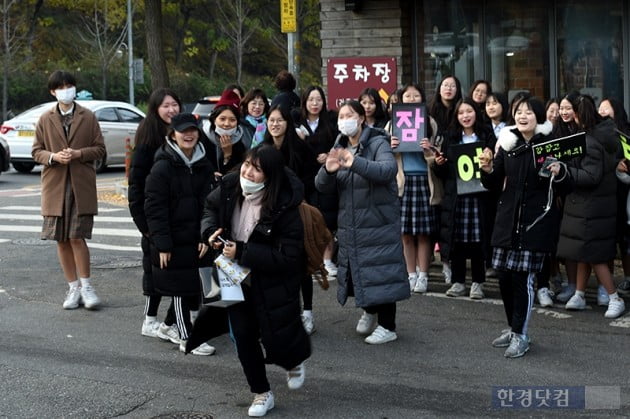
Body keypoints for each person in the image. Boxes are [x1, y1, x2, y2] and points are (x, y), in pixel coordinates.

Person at [201, 145, 311, 417]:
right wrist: (209, 232)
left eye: (256, 169)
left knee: (277, 334)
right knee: (242, 335)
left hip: (270, 280)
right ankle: (261, 392)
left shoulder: (286, 205)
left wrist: (243, 251)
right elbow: (209, 208)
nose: (247, 172)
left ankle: (293, 360)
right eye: (246, 164)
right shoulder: (229, 186)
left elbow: (288, 257)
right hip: (228, 273)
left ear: (270, 176)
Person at [479, 96, 572, 358]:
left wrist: (560, 171)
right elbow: (494, 182)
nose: (522, 116)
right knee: (505, 279)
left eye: (528, 112)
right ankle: (512, 327)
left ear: (538, 117)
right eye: (519, 112)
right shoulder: (508, 145)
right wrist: (486, 169)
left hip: (535, 222)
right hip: (507, 221)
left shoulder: (549, 146)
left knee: (523, 281)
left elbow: (568, 183)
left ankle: (521, 335)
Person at [315, 100, 409, 345]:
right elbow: (321, 186)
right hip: (352, 222)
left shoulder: (378, 142)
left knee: (381, 271)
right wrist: (329, 169)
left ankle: (388, 326)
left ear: (361, 118)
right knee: (358, 269)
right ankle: (369, 310)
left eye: (349, 115)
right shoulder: (340, 145)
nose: (344, 120)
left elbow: (387, 170)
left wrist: (354, 162)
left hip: (377, 221)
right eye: (340, 116)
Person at [31, 70, 106, 310]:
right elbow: (36, 151)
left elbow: (99, 149)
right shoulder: (45, 118)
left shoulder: (88, 116)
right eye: (61, 87)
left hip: (80, 185)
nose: (66, 90)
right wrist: (53, 156)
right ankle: (72, 287)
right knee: (61, 239)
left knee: (77, 236)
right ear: (53, 92)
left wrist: (78, 154)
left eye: (69, 85)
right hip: (54, 186)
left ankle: (87, 286)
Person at [144, 113, 216, 356]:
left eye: (193, 130)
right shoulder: (163, 165)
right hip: (172, 240)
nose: (189, 134)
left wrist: (205, 236)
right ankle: (188, 337)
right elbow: (154, 209)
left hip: (197, 238)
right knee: (179, 288)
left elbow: (209, 204)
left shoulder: (204, 162)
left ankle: (166, 327)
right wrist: (162, 244)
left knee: (197, 286)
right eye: (183, 130)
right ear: (172, 134)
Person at [556, 95, 626, 318]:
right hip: (595, 206)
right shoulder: (602, 135)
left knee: (594, 254)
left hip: (590, 206)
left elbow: (591, 176)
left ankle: (614, 297)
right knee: (583, 251)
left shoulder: (589, 141)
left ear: (578, 114)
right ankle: (579, 293)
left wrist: (564, 171)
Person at [128, 88, 183, 338]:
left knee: (173, 270)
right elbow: (136, 186)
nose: (171, 109)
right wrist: (145, 225)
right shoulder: (148, 140)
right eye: (165, 106)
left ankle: (174, 318)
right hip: (154, 218)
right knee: (154, 271)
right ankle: (151, 320)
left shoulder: (183, 134)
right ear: (155, 109)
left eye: (174, 104)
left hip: (179, 216)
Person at [263, 104, 319, 334]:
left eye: (280, 120)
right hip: (270, 215)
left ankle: (307, 311)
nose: (275, 124)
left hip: (296, 213)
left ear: (288, 122)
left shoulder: (300, 149)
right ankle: (282, 311)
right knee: (275, 266)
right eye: (271, 120)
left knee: (300, 265)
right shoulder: (263, 150)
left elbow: (310, 181)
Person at [434, 98, 496, 299]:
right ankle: (458, 281)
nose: (465, 116)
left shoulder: (487, 135)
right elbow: (443, 172)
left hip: (479, 196)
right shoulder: (450, 137)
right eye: (461, 113)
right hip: (457, 197)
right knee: (457, 239)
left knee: (478, 240)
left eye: (469, 111)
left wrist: (490, 158)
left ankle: (478, 282)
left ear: (476, 113)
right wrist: (439, 164)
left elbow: (496, 166)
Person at [387, 83, 439, 293]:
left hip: (424, 181)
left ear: (421, 99)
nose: (411, 99)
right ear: (400, 99)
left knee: (424, 233)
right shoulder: (392, 124)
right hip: (403, 181)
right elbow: (385, 156)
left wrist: (429, 149)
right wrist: (390, 147)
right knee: (405, 232)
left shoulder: (430, 122)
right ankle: (410, 274)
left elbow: (439, 157)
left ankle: (424, 275)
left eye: (415, 95)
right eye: (407, 96)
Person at [295, 86, 339, 285]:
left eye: (318, 99)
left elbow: (339, 144)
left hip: (327, 177)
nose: (315, 103)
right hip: (305, 178)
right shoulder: (298, 123)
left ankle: (328, 260)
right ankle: (313, 260)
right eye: (311, 100)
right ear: (305, 102)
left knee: (327, 219)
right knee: (309, 220)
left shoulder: (330, 121)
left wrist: (329, 155)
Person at [598, 97, 630, 296]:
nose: (601, 113)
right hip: (607, 192)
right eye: (599, 109)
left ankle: (627, 278)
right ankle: (620, 280)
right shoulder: (598, 133)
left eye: (605, 109)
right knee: (616, 238)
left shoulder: (625, 133)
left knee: (626, 238)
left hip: (625, 191)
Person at [202, 89, 253, 176]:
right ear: (214, 120)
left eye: (232, 120)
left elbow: (237, 174)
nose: (227, 124)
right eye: (222, 119)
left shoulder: (241, 142)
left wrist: (227, 155)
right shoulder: (202, 137)